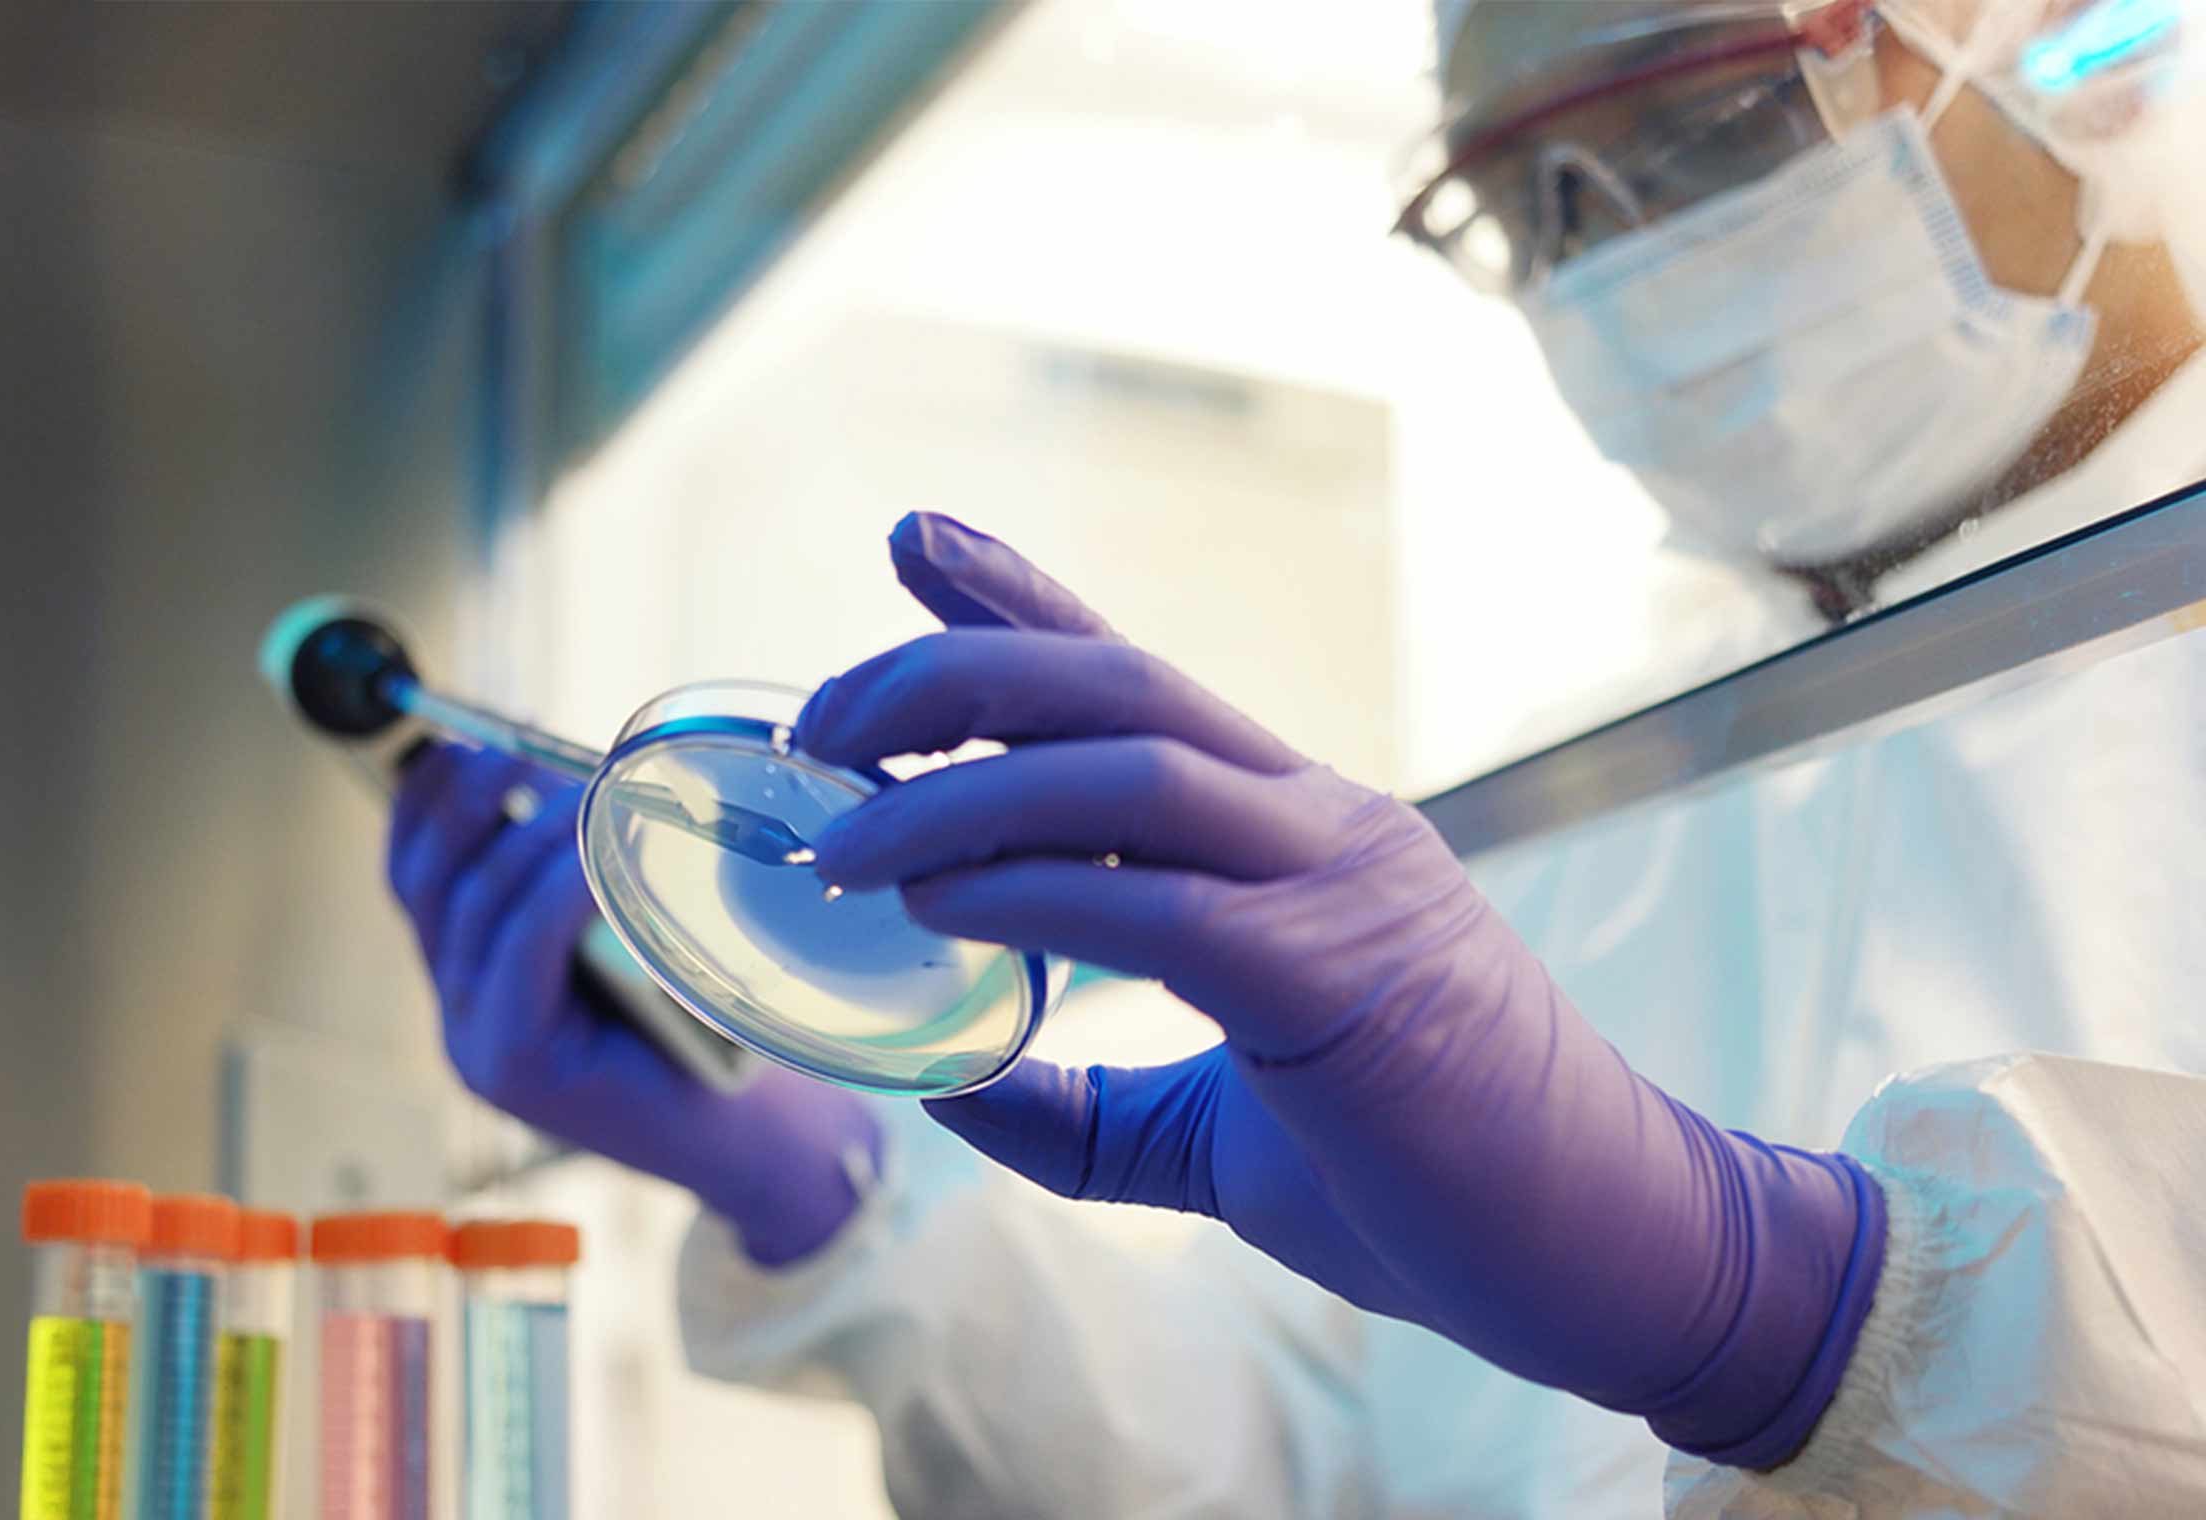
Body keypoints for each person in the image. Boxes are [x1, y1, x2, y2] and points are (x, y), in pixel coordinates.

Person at [388, 2, 2206, 1514]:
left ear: (2081, 42)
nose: (1621, 252)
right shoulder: (1587, 774)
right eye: (1528, 206)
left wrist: (1800, 1320)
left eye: (1710, 122)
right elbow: (1296, 1461)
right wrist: (836, 1202)